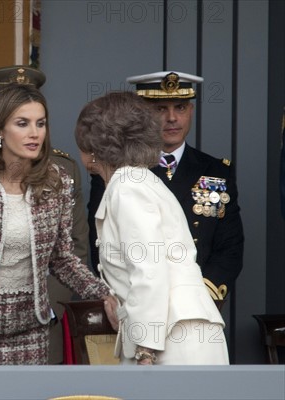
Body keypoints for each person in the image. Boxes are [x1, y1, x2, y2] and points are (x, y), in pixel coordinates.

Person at [0, 83, 113, 365]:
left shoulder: (57, 182)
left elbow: (63, 259)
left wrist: (104, 295)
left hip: (31, 333)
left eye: (40, 123)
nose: (34, 133)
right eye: (22, 123)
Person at [76, 91, 229, 365]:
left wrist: (145, 348)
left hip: (170, 344)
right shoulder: (141, 180)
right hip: (178, 335)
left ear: (94, 146)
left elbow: (150, 269)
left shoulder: (126, 187)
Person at [88, 71, 244, 295]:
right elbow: (101, 244)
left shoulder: (217, 171)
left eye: (180, 107)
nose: (172, 118)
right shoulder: (114, 170)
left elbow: (230, 246)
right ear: (141, 115)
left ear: (191, 111)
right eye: (160, 109)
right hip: (139, 300)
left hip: (199, 300)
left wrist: (201, 294)